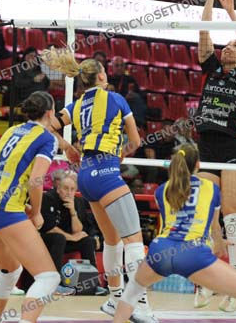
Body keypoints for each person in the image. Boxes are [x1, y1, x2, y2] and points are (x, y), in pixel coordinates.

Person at [43, 49, 155, 323]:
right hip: (106, 173)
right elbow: (135, 141)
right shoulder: (116, 99)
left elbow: (47, 125)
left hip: (85, 175)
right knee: (133, 241)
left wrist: (67, 147)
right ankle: (139, 304)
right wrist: (121, 154)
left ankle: (115, 299)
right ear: (102, 76)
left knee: (112, 241)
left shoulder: (77, 104)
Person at [112, 144, 236, 323]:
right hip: (192, 253)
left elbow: (171, 221)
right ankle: (206, 289)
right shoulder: (211, 188)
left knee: (131, 293)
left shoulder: (162, 190)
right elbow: (214, 226)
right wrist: (219, 242)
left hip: (161, 250)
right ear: (198, 165)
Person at [193, 0, 236, 312]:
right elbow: (203, 30)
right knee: (203, 214)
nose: (229, 47)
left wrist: (231, 11)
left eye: (234, 45)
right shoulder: (210, 68)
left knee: (232, 216)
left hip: (233, 146)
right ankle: (206, 282)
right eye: (227, 45)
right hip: (207, 146)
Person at [0, 91, 62, 323]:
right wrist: (37, 212)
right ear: (50, 113)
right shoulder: (47, 138)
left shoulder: (11, 130)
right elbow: (36, 180)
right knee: (48, 277)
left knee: (10, 269)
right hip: (6, 208)